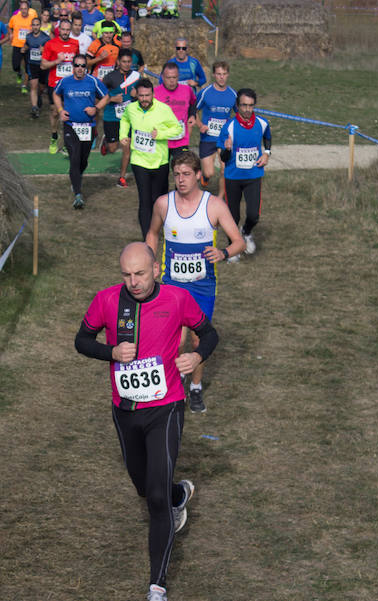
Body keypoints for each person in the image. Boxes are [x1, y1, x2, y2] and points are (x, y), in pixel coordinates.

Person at [75, 242, 218, 601]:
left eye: (140, 273)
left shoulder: (178, 299)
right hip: (124, 411)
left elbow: (211, 333)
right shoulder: (106, 300)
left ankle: (157, 585)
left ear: (156, 269)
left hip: (166, 406)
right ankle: (178, 494)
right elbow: (81, 340)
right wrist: (110, 352)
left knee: (155, 497)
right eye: (126, 275)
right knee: (144, 487)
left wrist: (196, 354)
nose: (133, 282)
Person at [145, 152, 244, 412]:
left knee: (199, 342)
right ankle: (173, 381)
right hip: (171, 285)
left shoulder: (214, 206)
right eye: (176, 175)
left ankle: (196, 387)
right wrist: (149, 263)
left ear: (199, 175)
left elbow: (239, 242)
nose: (181, 180)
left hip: (202, 287)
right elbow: (153, 234)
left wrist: (223, 253)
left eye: (186, 174)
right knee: (174, 339)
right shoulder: (163, 204)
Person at [119, 78, 183, 238]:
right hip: (139, 161)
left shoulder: (164, 109)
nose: (144, 99)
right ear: (137, 95)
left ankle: (159, 228)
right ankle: (147, 237)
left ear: (153, 94)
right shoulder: (131, 108)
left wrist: (160, 134)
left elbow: (177, 128)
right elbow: (125, 119)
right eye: (141, 96)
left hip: (160, 162)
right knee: (145, 200)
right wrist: (123, 135)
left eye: (147, 95)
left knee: (158, 199)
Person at [217, 88, 272, 260]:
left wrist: (267, 153)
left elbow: (268, 137)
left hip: (253, 175)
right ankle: (233, 249)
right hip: (233, 176)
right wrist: (226, 149)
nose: (247, 110)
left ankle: (246, 232)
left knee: (254, 214)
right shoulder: (229, 127)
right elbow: (223, 158)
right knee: (232, 215)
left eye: (250, 106)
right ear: (237, 106)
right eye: (244, 106)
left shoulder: (262, 123)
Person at [53, 55, 107, 208]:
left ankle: (76, 177)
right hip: (70, 126)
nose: (80, 68)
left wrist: (95, 108)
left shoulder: (93, 81)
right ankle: (78, 194)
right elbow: (56, 94)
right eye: (77, 65)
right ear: (73, 66)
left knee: (83, 160)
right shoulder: (65, 81)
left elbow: (106, 96)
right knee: (74, 157)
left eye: (83, 66)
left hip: (87, 127)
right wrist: (60, 110)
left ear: (86, 68)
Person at [195, 61, 235, 192]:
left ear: (228, 75)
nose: (221, 77)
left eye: (224, 74)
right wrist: (200, 125)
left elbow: (238, 115)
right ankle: (205, 177)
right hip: (208, 138)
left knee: (224, 170)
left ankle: (220, 198)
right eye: (218, 74)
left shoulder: (233, 95)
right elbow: (193, 111)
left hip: (223, 139)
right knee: (209, 173)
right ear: (214, 75)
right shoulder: (205, 92)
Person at [41, 19, 80, 153]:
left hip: (70, 84)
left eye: (67, 29)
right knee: (55, 112)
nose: (65, 32)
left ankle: (66, 142)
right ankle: (53, 136)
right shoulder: (50, 44)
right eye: (63, 29)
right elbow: (43, 65)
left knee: (69, 113)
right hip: (55, 84)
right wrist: (57, 61)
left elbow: (77, 63)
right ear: (59, 30)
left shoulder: (75, 44)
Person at [97, 48, 140, 166]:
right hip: (112, 117)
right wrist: (112, 99)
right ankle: (106, 141)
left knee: (127, 146)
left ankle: (123, 175)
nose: (127, 64)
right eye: (124, 62)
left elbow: (143, 95)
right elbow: (99, 97)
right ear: (118, 62)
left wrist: (136, 96)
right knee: (112, 149)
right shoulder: (109, 77)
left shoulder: (136, 76)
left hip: (129, 117)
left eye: (129, 62)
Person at [154, 62, 196, 162]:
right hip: (162, 140)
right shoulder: (155, 92)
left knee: (182, 168)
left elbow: (193, 103)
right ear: (162, 77)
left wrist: (192, 115)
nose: (172, 81)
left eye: (174, 77)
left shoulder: (187, 90)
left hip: (181, 139)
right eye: (168, 77)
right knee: (161, 173)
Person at [8, 1, 38, 95]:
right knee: (15, 65)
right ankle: (18, 72)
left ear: (28, 9)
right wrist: (11, 33)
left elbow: (36, 29)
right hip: (17, 44)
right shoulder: (14, 18)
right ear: (19, 10)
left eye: (25, 9)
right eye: (22, 9)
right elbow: (9, 27)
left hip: (28, 45)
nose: (24, 11)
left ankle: (24, 85)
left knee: (27, 66)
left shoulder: (32, 18)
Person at [24, 16, 51, 118]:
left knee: (41, 87)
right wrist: (24, 48)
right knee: (33, 86)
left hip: (43, 65)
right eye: (34, 25)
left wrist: (44, 51)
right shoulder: (28, 36)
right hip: (32, 64)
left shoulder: (45, 38)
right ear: (32, 26)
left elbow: (49, 51)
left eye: (37, 25)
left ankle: (39, 96)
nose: (35, 27)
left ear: (40, 26)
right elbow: (27, 45)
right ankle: (34, 107)